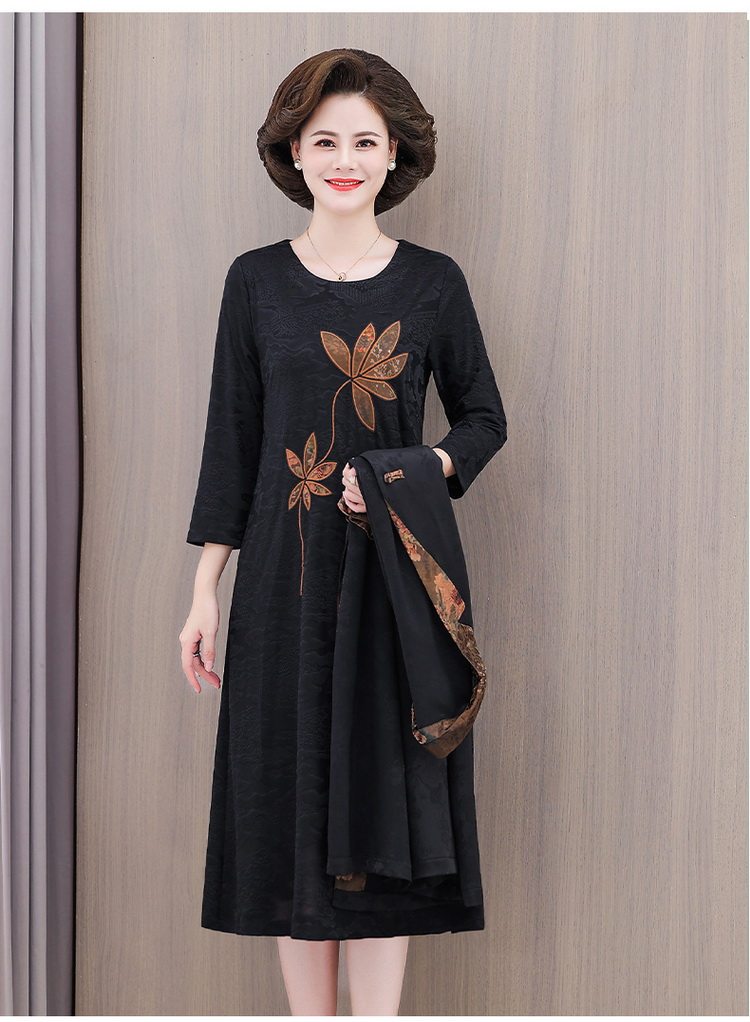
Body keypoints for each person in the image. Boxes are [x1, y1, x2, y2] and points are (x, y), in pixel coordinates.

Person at [178, 47, 508, 1016]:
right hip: (279, 592)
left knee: (381, 803)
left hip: (392, 590)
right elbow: (232, 447)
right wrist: (204, 592)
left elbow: (484, 420)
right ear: (294, 152)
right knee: (288, 804)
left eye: (365, 141)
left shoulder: (433, 284)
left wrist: (409, 470)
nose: (345, 159)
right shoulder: (255, 283)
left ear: (395, 152)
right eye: (324, 141)